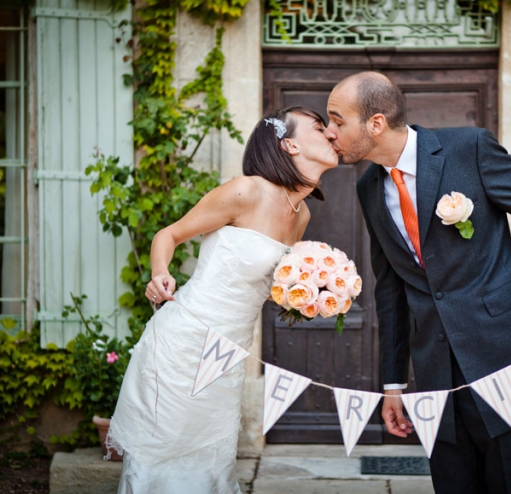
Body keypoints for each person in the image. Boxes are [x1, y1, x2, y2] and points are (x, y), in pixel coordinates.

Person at [324, 72, 511, 493]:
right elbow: (391, 289)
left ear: (376, 123)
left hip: (508, 361)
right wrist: (393, 384)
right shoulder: (369, 187)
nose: (329, 132)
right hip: (438, 381)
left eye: (337, 120)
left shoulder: (470, 148)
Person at [108, 107, 338, 494]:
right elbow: (168, 235)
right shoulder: (245, 190)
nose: (332, 135)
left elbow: (276, 285)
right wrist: (160, 274)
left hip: (228, 355)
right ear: (290, 144)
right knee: (168, 460)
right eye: (320, 127)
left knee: (212, 462)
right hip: (185, 342)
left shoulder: (302, 216)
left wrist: (317, 293)